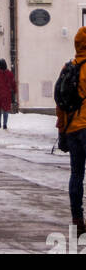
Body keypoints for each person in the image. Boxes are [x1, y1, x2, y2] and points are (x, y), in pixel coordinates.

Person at [55, 26, 86, 241]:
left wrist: (62, 129)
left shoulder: (68, 68)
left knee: (76, 174)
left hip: (73, 129)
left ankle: (77, 219)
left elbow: (60, 103)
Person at [0, 59, 16, 130]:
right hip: (6, 94)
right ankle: (5, 124)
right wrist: (14, 90)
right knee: (6, 110)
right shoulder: (9, 73)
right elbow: (13, 83)